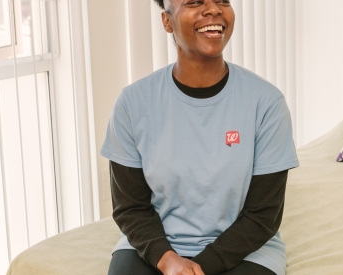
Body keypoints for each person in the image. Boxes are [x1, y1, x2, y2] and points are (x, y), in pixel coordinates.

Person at [101, 0, 299, 274]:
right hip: (154, 248)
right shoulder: (132, 103)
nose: (214, 9)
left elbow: (263, 215)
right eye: (195, 1)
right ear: (167, 21)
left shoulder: (266, 103)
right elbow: (130, 208)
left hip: (246, 252)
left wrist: (198, 268)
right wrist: (168, 259)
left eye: (223, 1)